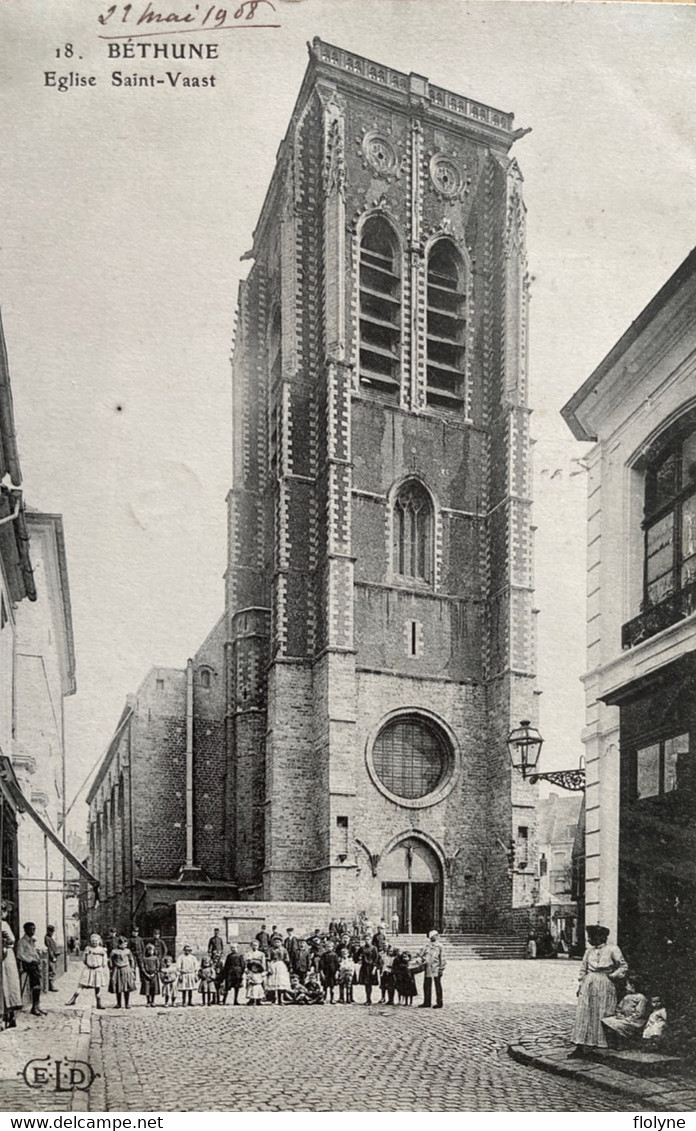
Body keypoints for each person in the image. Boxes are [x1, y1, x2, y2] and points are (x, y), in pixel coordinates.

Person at [568, 924, 628, 1058]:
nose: (589, 939)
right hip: (589, 984)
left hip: (605, 983)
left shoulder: (613, 949)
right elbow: (583, 969)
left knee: (602, 1011)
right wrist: (581, 985)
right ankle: (581, 1045)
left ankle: (600, 1044)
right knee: (585, 1013)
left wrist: (613, 976)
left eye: (591, 937)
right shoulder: (588, 951)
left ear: (601, 937)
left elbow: (623, 966)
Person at [601, 976, 649, 1046]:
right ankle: (613, 1042)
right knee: (605, 1020)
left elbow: (639, 1013)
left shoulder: (641, 998)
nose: (626, 986)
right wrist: (619, 1014)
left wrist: (627, 1018)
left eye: (627, 984)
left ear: (632, 985)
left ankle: (621, 1044)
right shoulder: (626, 997)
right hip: (623, 1018)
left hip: (634, 1020)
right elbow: (619, 1008)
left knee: (617, 1025)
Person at [67, 932, 109, 1009]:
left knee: (98, 986)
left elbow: (104, 961)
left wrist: (101, 965)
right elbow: (84, 960)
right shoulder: (87, 949)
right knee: (81, 984)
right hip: (88, 969)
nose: (94, 942)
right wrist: (89, 964)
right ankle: (73, 999)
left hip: (97, 970)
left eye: (96, 941)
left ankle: (99, 1003)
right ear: (90, 941)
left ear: (99, 941)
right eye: (93, 941)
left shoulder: (102, 950)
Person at [16, 922, 45, 1017]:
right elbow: (20, 955)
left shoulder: (32, 941)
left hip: (34, 964)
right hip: (27, 965)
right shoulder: (22, 942)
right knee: (36, 984)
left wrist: (37, 958)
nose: (33, 931)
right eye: (31, 929)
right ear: (25, 930)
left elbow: (34, 952)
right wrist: (31, 960)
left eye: (34, 929)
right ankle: (34, 1008)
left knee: (38, 984)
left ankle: (37, 1006)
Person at [1, 903, 22, 1028]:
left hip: (5, 957)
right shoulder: (3, 924)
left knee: (6, 985)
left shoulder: (3, 924)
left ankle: (9, 1017)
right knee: (7, 985)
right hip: (5, 957)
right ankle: (10, 1017)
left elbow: (10, 940)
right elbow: (11, 940)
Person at [420, 930, 446, 1009]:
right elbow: (421, 954)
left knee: (437, 985)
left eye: (436, 935)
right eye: (434, 935)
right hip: (428, 967)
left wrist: (441, 968)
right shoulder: (427, 946)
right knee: (427, 985)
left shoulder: (440, 946)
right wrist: (422, 960)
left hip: (436, 968)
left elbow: (443, 958)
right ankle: (427, 1002)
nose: (435, 937)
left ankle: (439, 1002)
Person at [110, 936, 137, 1009]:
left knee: (126, 987)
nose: (125, 946)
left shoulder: (128, 951)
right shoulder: (114, 951)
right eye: (124, 944)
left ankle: (127, 1003)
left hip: (126, 969)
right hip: (117, 969)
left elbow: (132, 960)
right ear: (119, 944)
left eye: (126, 944)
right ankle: (118, 1003)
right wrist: (111, 969)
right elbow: (110, 961)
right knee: (118, 987)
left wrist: (132, 969)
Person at [140, 943, 161, 1007]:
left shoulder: (155, 958)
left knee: (153, 988)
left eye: (152, 950)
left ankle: (153, 1001)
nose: (150, 952)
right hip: (146, 975)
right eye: (149, 950)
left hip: (154, 975)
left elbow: (158, 967)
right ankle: (148, 1001)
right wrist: (146, 974)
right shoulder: (144, 958)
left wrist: (154, 973)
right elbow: (142, 967)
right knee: (147, 988)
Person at [359, 937, 379, 1005]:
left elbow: (376, 959)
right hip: (364, 967)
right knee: (366, 984)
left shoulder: (374, 948)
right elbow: (356, 956)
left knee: (369, 984)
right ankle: (367, 999)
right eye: (366, 939)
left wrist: (374, 968)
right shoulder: (362, 948)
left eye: (368, 939)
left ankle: (369, 999)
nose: (367, 941)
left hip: (371, 967)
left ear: (371, 940)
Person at [44, 925, 60, 991]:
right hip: (51, 957)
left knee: (53, 971)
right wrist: (52, 957)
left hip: (54, 956)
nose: (52, 933)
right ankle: (51, 986)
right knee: (52, 971)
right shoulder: (47, 938)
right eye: (51, 931)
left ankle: (52, 985)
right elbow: (49, 949)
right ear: (48, 931)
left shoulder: (50, 938)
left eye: (52, 931)